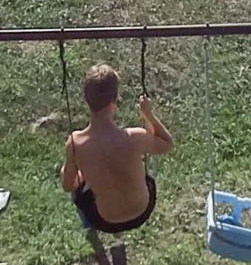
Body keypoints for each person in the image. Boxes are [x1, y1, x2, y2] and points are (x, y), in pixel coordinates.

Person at [62, 64, 173, 234]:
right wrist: (148, 115)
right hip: (142, 211)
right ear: (115, 100)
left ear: (86, 99)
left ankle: (89, 223)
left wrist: (82, 169)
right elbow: (167, 143)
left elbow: (69, 185)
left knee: (72, 178)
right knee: (146, 178)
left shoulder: (76, 143)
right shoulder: (134, 137)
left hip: (105, 220)